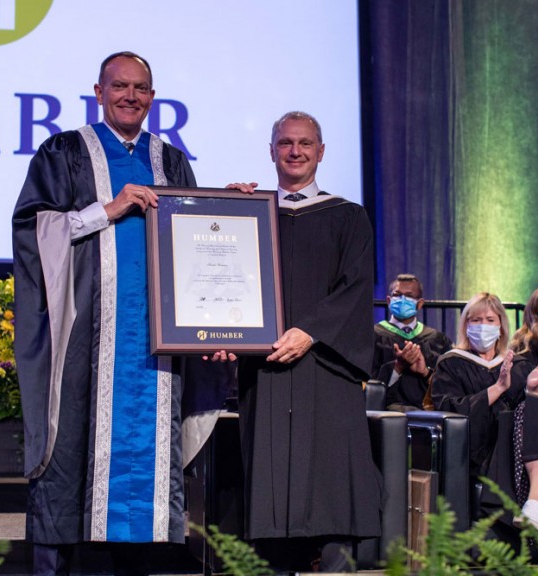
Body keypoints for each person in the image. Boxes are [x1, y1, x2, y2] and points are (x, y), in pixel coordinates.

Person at [12, 51, 206, 576]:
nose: (130, 96)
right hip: (83, 340)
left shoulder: (172, 160)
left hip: (153, 349)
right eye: (119, 87)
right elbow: (33, 229)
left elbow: (195, 242)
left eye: (141, 88)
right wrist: (108, 210)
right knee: (69, 456)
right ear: (98, 93)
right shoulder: (64, 152)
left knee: (144, 468)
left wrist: (225, 212)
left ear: (153, 96)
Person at [228, 111, 382, 573]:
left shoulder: (347, 216)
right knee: (270, 488)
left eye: (305, 144)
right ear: (271, 151)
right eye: (285, 143)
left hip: (325, 369)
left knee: (332, 485)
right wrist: (223, 209)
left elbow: (356, 288)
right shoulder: (251, 214)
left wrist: (310, 331)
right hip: (267, 367)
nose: (295, 152)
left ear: (321, 151)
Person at [430, 292, 538, 571]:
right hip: (484, 451)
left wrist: (531, 388)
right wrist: (497, 389)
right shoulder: (451, 363)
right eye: (475, 319)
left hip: (522, 453)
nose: (482, 325)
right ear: (465, 325)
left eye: (489, 319)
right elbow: (451, 410)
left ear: (501, 327)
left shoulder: (519, 365)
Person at [371, 273, 452, 410]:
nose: (402, 300)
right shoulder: (373, 336)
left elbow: (447, 386)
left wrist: (425, 372)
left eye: (409, 296)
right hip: (385, 414)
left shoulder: (437, 340)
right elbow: (368, 386)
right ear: (389, 301)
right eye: (397, 295)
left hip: (429, 414)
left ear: (420, 304)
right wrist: (398, 367)